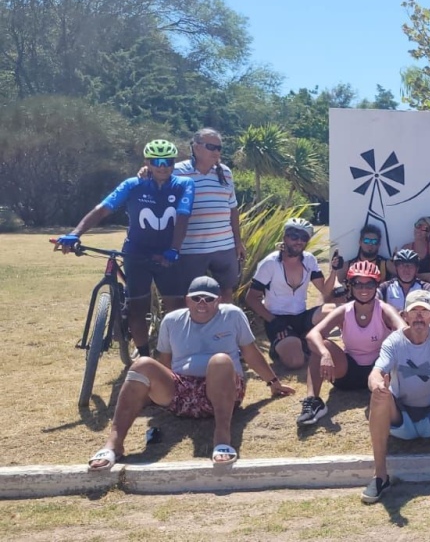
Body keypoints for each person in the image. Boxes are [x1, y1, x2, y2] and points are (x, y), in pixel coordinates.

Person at [86, 276, 294, 470]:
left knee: (220, 360)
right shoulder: (172, 320)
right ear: (187, 300)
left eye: (208, 299)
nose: (202, 304)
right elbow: (164, 363)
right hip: (182, 391)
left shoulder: (233, 315)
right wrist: (151, 392)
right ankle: (114, 444)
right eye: (196, 298)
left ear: (218, 300)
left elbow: (250, 352)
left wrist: (273, 382)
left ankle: (222, 438)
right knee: (142, 364)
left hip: (223, 390)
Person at [56, 139, 194, 357]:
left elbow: (183, 216)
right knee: (137, 309)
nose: (162, 165)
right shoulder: (132, 184)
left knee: (175, 308)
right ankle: (144, 356)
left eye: (168, 160)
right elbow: (102, 209)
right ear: (147, 162)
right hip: (136, 252)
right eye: (157, 160)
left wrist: (175, 249)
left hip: (167, 254)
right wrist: (75, 234)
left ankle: (177, 355)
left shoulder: (184, 185)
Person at [362, 289, 430, 503]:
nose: (419, 316)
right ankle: (380, 475)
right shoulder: (394, 341)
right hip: (402, 416)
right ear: (405, 315)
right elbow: (375, 372)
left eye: (425, 311)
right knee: (379, 396)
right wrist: (376, 384)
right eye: (414, 311)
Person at [297, 261, 407, 426]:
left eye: (369, 284)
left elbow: (404, 330)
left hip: (379, 371)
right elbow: (313, 334)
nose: (364, 289)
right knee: (320, 345)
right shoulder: (344, 311)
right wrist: (325, 354)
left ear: (376, 286)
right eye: (358, 284)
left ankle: (405, 399)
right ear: (350, 286)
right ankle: (313, 402)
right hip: (348, 372)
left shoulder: (384, 309)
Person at [245, 218, 338, 369]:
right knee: (296, 362)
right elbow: (251, 298)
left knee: (339, 310)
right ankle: (284, 347)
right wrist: (273, 321)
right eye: (294, 236)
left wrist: (334, 270)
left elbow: (325, 291)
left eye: (304, 238)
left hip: (301, 316)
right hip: (278, 320)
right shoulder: (270, 263)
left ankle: (305, 340)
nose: (299, 241)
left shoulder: (309, 260)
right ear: (285, 237)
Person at [169, 128, 244, 307]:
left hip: (224, 246)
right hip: (191, 248)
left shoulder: (225, 173)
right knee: (189, 294)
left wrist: (238, 242)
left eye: (219, 148)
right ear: (196, 147)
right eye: (211, 147)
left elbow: (232, 208)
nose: (217, 152)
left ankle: (225, 330)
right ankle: (191, 333)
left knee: (226, 291)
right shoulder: (177, 172)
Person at [402, 217, 430, 285]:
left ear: (429, 233)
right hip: (410, 284)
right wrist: (423, 276)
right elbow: (401, 273)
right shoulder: (406, 248)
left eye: (425, 229)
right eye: (418, 226)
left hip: (429, 285)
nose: (420, 230)